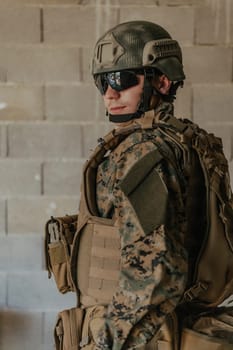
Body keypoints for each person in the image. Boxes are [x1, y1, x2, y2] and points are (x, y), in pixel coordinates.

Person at [47, 20, 233, 350]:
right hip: (173, 326)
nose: (109, 92)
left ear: (161, 80)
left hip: (140, 337)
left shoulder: (142, 154)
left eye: (121, 78)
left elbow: (155, 272)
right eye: (102, 80)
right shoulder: (189, 142)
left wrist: (110, 342)